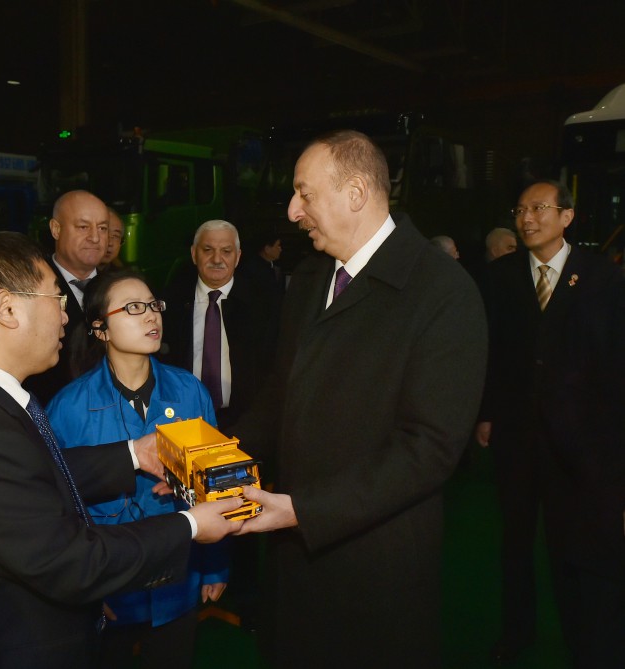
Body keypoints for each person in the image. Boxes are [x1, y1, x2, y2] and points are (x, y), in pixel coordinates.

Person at [0, 231, 242, 669]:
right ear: (7, 309)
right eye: (56, 298)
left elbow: (35, 475)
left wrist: (132, 453)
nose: (63, 315)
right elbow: (73, 562)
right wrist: (190, 525)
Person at [231, 130, 488, 667]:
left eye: (304, 193)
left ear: (354, 194)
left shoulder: (443, 290)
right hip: (294, 552)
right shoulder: (307, 278)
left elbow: (429, 448)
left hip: (376, 564)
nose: (293, 210)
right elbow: (282, 392)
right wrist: (216, 454)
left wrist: (305, 510)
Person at [475, 179, 625, 667]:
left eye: (539, 208)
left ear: (567, 216)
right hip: (517, 437)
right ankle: (517, 631)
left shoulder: (602, 278)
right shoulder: (500, 277)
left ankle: (584, 640)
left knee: (575, 545)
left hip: (580, 441)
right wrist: (486, 414)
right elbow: (490, 353)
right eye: (520, 210)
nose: (527, 218)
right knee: (515, 541)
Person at [47, 269, 227, 668]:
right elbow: (59, 511)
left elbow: (218, 485)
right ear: (100, 329)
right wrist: (86, 593)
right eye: (132, 308)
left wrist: (215, 566)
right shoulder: (68, 408)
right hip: (108, 588)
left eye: (152, 305)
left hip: (177, 580)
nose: (151, 316)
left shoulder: (190, 392)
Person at [161, 220, 275, 430]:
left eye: (226, 251)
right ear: (194, 254)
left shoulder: (264, 306)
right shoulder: (170, 303)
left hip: (244, 423)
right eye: (208, 250)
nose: (217, 259)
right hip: (181, 420)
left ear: (238, 257)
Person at [25, 189, 109, 404]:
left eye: (102, 228)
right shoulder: (28, 285)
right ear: (55, 229)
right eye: (83, 227)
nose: (95, 237)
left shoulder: (120, 288)